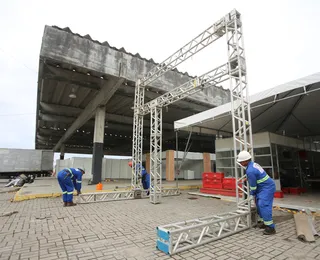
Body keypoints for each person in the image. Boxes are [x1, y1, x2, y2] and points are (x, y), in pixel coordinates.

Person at [237, 150, 276, 235]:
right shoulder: (252, 165)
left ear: (245, 161)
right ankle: (264, 222)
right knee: (258, 204)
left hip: (267, 188)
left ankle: (271, 227)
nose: (240, 163)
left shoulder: (250, 170)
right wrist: (249, 178)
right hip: (263, 187)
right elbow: (256, 175)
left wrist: (251, 194)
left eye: (241, 161)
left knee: (263, 204)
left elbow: (253, 186)